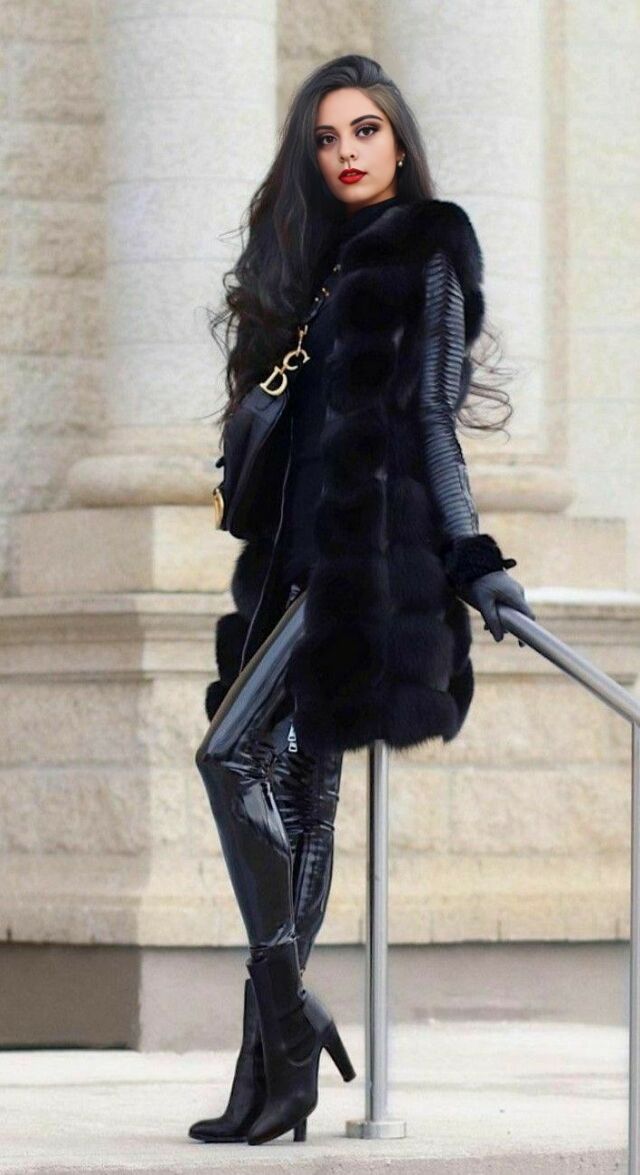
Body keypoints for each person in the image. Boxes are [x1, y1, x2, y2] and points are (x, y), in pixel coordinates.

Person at [190, 54, 536, 1148]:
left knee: (227, 756)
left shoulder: (426, 246)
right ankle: (271, 1074)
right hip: (285, 565)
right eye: (328, 137)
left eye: (366, 131)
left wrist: (474, 555)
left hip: (359, 565)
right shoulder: (310, 261)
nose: (347, 152)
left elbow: (432, 417)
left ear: (398, 142)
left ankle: (288, 1021)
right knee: (297, 800)